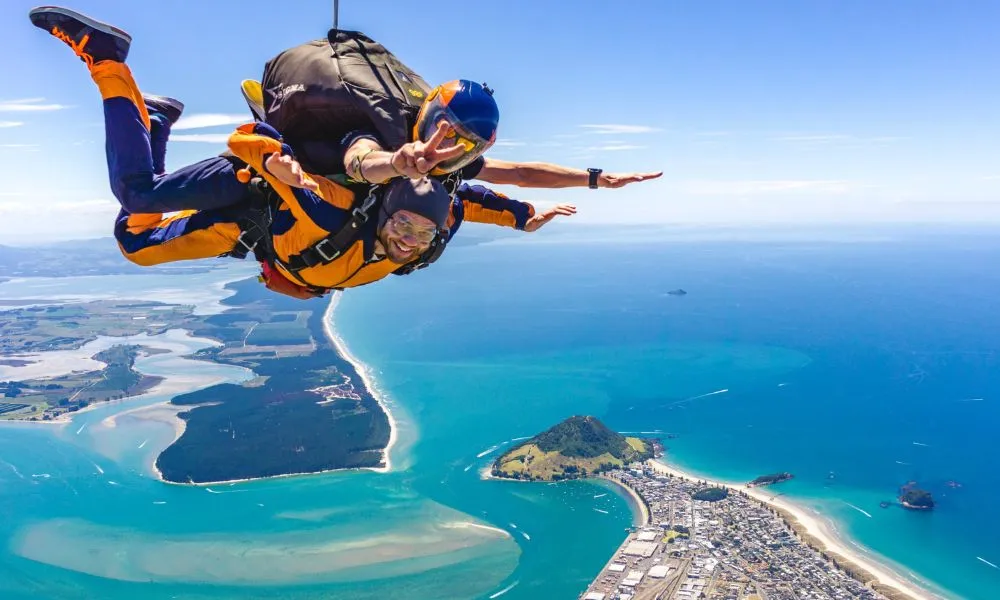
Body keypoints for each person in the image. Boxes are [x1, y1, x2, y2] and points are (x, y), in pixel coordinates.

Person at [28, 6, 575, 299]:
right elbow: (262, 141)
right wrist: (275, 164)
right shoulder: (332, 204)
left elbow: (476, 200)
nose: (409, 240)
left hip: (254, 230)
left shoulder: (434, 222)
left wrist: (528, 218)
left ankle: (156, 120)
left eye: (420, 235)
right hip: (258, 187)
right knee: (135, 196)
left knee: (134, 241)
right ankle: (107, 61)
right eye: (407, 227)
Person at [253, 33, 663, 192]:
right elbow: (359, 159)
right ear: (428, 115)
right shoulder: (382, 125)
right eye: (446, 131)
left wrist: (595, 178)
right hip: (317, 155)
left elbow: (521, 174)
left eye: (465, 145)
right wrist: (399, 161)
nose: (447, 148)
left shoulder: (448, 158)